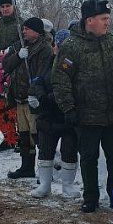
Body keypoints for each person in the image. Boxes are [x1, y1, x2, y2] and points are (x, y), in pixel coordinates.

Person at [52, 0, 113, 213]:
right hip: (86, 116)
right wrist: (68, 108)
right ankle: (91, 197)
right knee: (89, 158)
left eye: (108, 18)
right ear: (90, 20)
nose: (108, 22)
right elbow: (61, 79)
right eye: (103, 19)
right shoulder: (72, 46)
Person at [2, 17, 54, 181]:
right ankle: (26, 167)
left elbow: (42, 73)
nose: (24, 31)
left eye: (27, 29)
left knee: (37, 135)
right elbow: (6, 65)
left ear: (37, 31)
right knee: (24, 135)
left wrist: (35, 93)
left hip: (34, 98)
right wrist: (18, 56)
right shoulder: (19, 45)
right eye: (23, 28)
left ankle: (45, 171)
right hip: (19, 97)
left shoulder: (44, 49)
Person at [30, 27, 79, 198]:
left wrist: (52, 97)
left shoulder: (73, 63)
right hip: (47, 115)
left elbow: (71, 86)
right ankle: (44, 184)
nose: (58, 48)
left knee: (69, 150)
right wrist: (40, 95)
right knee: (45, 150)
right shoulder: (48, 61)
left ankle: (68, 185)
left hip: (67, 115)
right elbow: (37, 80)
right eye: (57, 45)